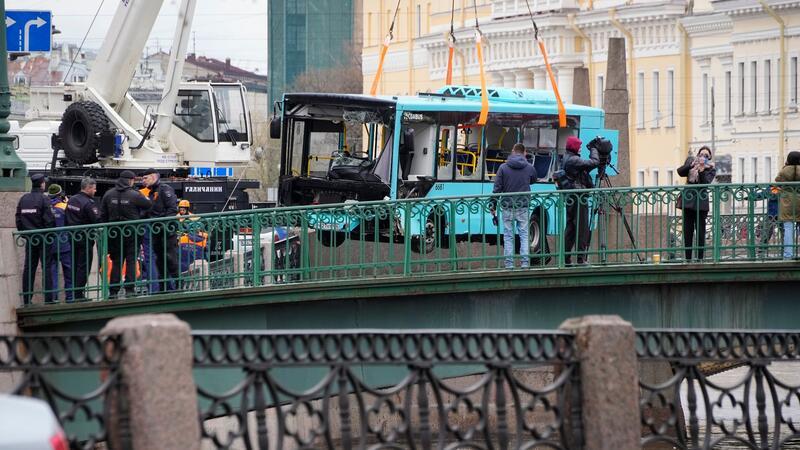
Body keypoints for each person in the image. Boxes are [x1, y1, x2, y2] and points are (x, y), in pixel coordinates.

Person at [100, 171, 152, 299]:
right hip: (132, 233)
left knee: (117, 262)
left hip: (114, 233)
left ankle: (113, 291)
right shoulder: (135, 195)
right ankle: (130, 289)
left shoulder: (108, 194)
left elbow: (103, 215)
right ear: (131, 181)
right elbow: (149, 205)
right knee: (131, 260)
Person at [491, 142, 537, 269]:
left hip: (507, 206)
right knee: (524, 235)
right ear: (524, 152)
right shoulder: (529, 167)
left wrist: (493, 204)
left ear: (512, 151)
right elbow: (534, 179)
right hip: (523, 205)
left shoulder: (503, 167)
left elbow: (497, 188)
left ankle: (509, 265)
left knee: (508, 236)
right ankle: (525, 263)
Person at [16, 173, 56, 304]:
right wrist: (49, 235)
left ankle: (27, 300)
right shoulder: (44, 199)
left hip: (30, 239)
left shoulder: (24, 199)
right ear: (42, 184)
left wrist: (25, 234)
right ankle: (48, 299)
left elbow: (18, 219)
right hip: (44, 239)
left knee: (29, 268)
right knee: (47, 268)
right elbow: (49, 220)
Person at [561, 135, 599, 266]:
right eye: (579, 146)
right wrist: (594, 149)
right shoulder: (574, 160)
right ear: (574, 147)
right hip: (578, 197)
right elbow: (594, 162)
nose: (581, 148)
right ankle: (581, 259)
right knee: (581, 228)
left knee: (571, 227)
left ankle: (566, 259)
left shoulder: (567, 157)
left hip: (571, 197)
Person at [141, 168, 179, 291]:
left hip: (166, 230)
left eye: (145, 178)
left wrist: (164, 224)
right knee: (159, 260)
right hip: (156, 231)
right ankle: (164, 286)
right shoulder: (151, 193)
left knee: (170, 258)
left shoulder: (165, 189)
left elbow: (172, 209)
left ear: (153, 177)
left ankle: (178, 284)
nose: (143, 181)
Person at [676, 146, 717, 261]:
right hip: (688, 201)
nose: (703, 157)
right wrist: (691, 165)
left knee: (700, 231)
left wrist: (703, 170)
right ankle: (688, 258)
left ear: (709, 158)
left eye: (706, 156)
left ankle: (700, 258)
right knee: (687, 230)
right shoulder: (691, 161)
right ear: (698, 155)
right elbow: (680, 172)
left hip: (701, 202)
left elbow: (705, 183)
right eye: (701, 154)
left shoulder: (711, 169)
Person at [66, 177, 101, 301]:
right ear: (89, 188)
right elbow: (97, 220)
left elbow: (66, 218)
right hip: (85, 239)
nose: (95, 191)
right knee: (84, 266)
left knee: (75, 265)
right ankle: (78, 294)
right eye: (94, 188)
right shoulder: (88, 203)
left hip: (72, 237)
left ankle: (74, 293)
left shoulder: (72, 200)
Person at [47, 184, 73, 303]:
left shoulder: (46, 206)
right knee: (68, 271)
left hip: (50, 244)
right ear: (60, 194)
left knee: (52, 273)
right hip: (64, 244)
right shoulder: (64, 206)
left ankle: (54, 298)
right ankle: (70, 297)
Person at [775, 151, 800, 260]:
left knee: (788, 227)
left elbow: (777, 182)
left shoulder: (784, 171)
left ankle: (788, 255)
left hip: (787, 201)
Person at [177, 199, 209, 273]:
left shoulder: (194, 218)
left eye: (183, 210)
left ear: (187, 209)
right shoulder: (176, 218)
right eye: (180, 210)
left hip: (191, 240)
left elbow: (200, 229)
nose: (181, 211)